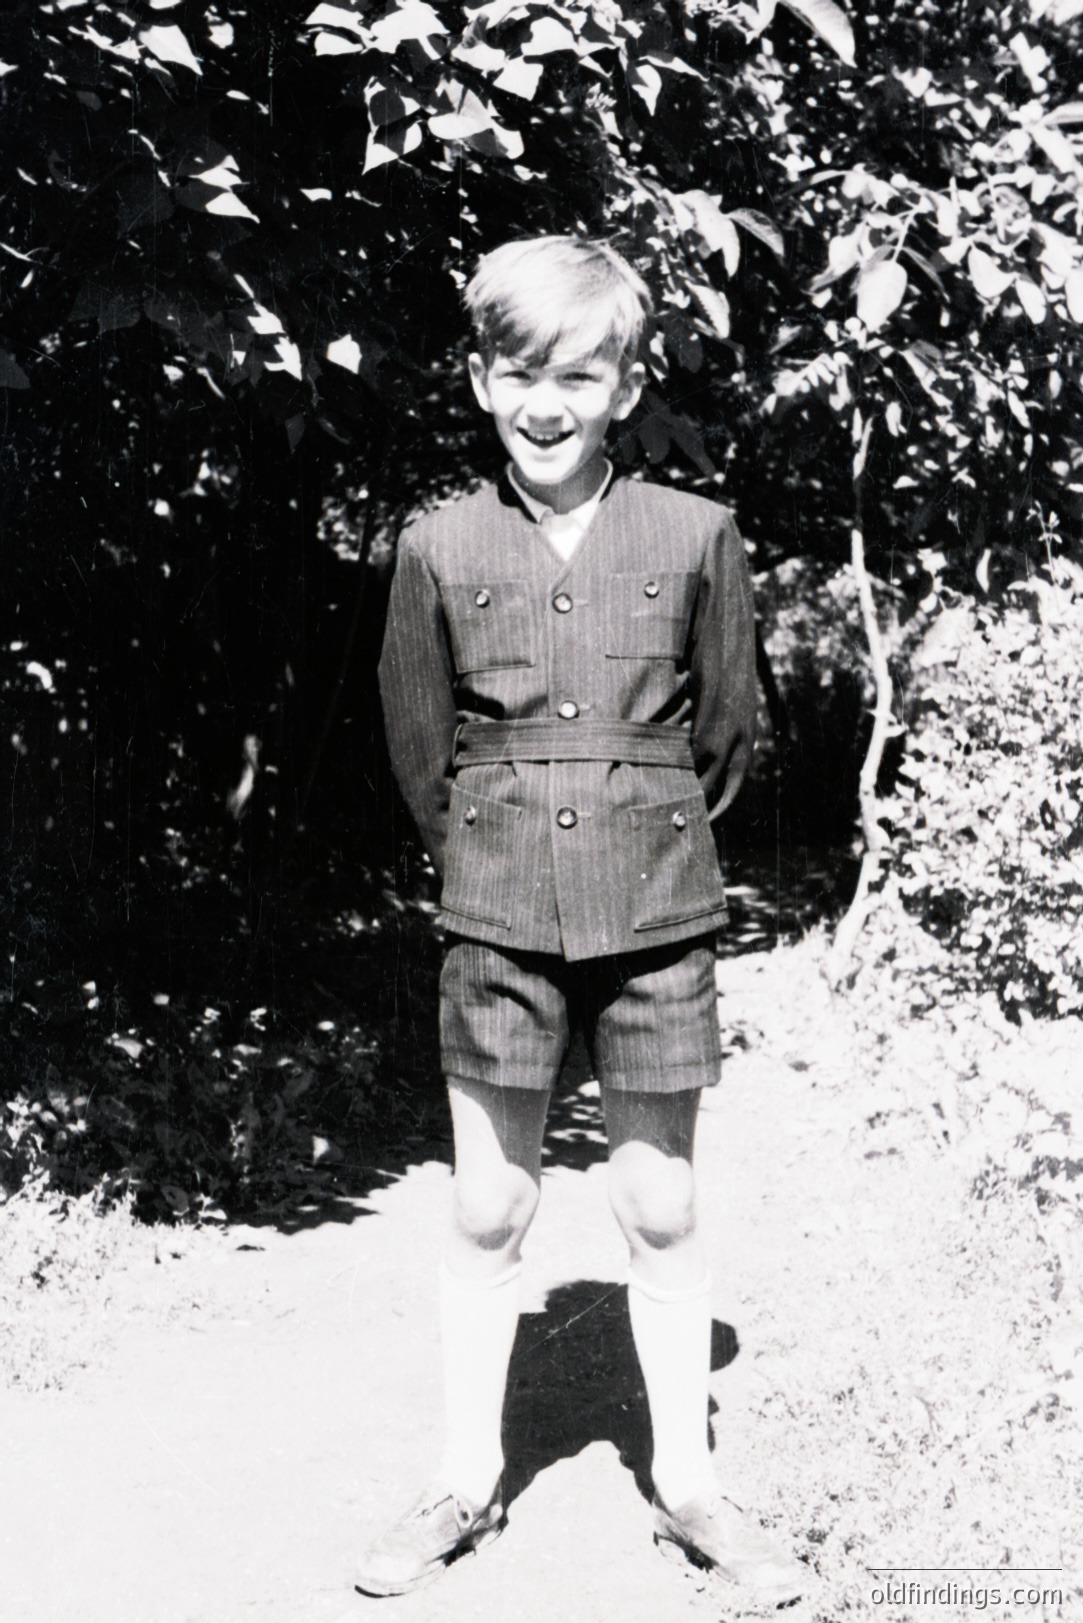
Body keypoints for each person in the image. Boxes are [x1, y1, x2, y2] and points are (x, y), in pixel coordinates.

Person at [361, 235, 804, 1605]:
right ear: (481, 379)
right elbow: (419, 746)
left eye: (576, 373)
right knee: (490, 1205)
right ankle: (464, 1477)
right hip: (496, 914)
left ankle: (691, 1488)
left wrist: (632, 831)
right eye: (515, 373)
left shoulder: (695, 535)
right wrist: (503, 854)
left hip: (659, 912)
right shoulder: (437, 542)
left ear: (623, 384)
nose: (543, 402)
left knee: (659, 1207)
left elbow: (725, 739)